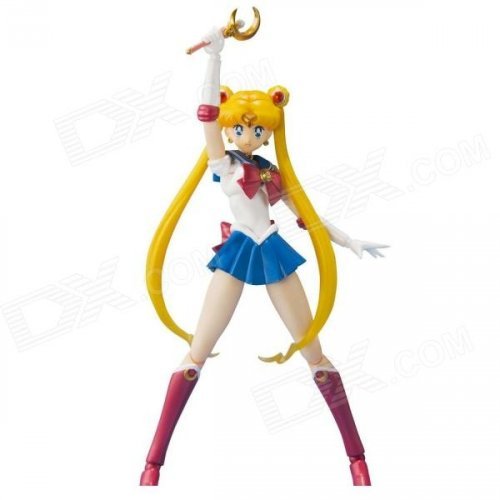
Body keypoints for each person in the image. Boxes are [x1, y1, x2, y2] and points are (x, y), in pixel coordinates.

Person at [139, 27, 387, 487]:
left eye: (256, 129)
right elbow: (206, 117)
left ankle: (357, 457)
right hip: (238, 252)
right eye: (240, 128)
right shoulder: (226, 163)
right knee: (196, 354)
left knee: (313, 351)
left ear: (269, 131)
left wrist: (348, 240)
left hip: (271, 249)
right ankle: (153, 464)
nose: (248, 135)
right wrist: (214, 58)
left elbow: (308, 216)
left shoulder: (272, 172)